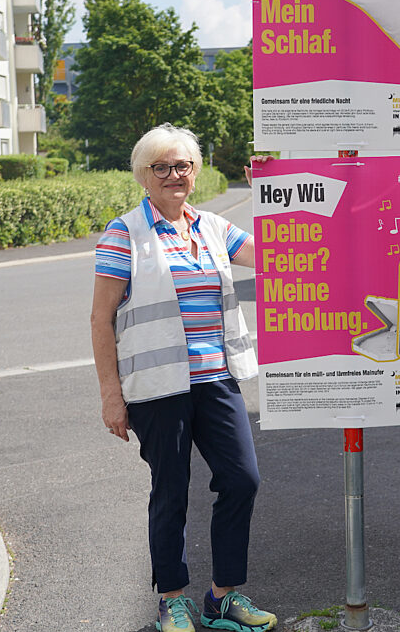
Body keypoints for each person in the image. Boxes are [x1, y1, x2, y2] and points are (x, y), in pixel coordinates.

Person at [90, 123, 277, 632]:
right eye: (162, 167)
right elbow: (100, 318)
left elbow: (275, 257)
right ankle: (172, 598)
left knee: (242, 480)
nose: (174, 175)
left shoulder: (213, 227)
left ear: (195, 172)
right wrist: (112, 396)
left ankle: (222, 597)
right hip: (158, 387)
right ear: (143, 176)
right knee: (171, 491)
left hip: (217, 379)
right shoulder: (124, 232)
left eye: (183, 166)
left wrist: (273, 192)